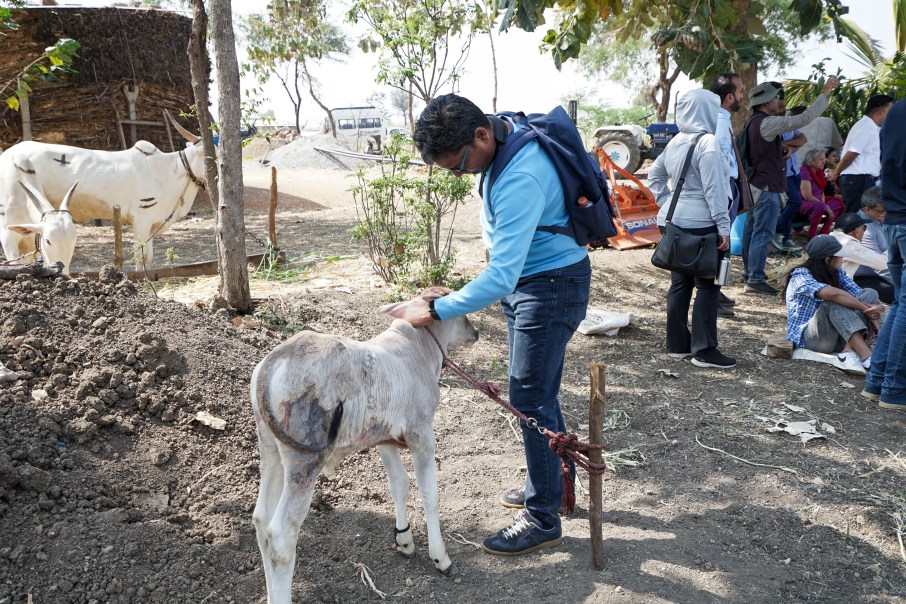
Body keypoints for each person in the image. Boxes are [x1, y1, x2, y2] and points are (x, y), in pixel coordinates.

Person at [407, 93, 590, 555]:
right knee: (538, 392)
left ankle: (542, 515)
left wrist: (437, 309)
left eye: (458, 166)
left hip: (548, 287)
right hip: (533, 283)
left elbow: (502, 275)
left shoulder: (522, 175)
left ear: (481, 135)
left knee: (528, 396)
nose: (460, 174)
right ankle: (553, 483)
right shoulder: (500, 141)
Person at [649, 89, 734, 368]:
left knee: (680, 282)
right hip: (703, 223)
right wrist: (723, 226)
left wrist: (668, 201)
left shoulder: (676, 141)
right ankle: (704, 350)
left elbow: (655, 175)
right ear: (708, 111)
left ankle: (677, 345)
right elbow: (715, 188)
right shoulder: (708, 142)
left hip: (675, 222)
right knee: (708, 286)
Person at [740, 77, 839, 296]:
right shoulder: (767, 122)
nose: (779, 103)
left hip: (756, 184)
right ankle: (755, 278)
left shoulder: (752, 122)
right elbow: (803, 119)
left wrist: (782, 147)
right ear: (766, 102)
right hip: (766, 187)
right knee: (762, 232)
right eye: (776, 99)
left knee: (751, 231)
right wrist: (825, 94)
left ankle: (749, 273)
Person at [783, 235, 883, 372]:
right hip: (812, 340)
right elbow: (833, 294)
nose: (842, 260)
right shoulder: (800, 275)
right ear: (828, 260)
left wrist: (878, 307)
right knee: (831, 303)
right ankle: (866, 356)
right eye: (839, 257)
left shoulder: (836, 272)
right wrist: (870, 313)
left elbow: (860, 294)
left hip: (836, 337)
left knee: (869, 292)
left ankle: (848, 351)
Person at [862, 97, 906, 410]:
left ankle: (877, 382)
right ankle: (894, 389)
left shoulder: (897, 110)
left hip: (894, 215)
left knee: (902, 302)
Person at [708, 72, 746, 317]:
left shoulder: (722, 119)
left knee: (721, 243)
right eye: (741, 91)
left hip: (726, 186)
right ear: (729, 96)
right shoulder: (720, 122)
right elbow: (720, 160)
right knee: (722, 243)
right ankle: (714, 293)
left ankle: (717, 291)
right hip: (725, 187)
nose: (743, 95)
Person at [835, 94, 895, 213]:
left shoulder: (873, 128)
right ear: (880, 113)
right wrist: (836, 173)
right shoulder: (865, 127)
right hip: (857, 179)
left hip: (865, 179)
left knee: (864, 217)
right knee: (854, 217)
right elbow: (851, 154)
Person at [829, 213, 891, 300]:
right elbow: (883, 264)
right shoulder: (850, 245)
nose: (864, 232)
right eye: (864, 228)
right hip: (836, 291)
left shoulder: (830, 238)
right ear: (857, 231)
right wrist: (893, 246)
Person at [774, 103, 807, 251]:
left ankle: (786, 238)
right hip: (783, 173)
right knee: (795, 202)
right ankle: (778, 230)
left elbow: (802, 139)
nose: (783, 109)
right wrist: (787, 145)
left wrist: (786, 145)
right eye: (780, 105)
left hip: (795, 171)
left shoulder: (788, 124)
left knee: (790, 205)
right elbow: (777, 148)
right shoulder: (772, 125)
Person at [855, 187, 895, 303]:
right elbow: (878, 266)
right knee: (898, 294)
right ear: (867, 209)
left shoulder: (880, 218)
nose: (886, 214)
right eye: (882, 211)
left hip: (888, 267)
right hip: (867, 276)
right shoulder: (863, 229)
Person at [799, 148, 844, 238]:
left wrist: (823, 201)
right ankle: (812, 236)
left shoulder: (819, 172)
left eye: (824, 159)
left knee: (838, 202)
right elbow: (807, 196)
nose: (824, 161)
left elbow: (821, 191)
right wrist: (825, 206)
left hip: (816, 201)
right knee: (821, 206)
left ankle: (824, 231)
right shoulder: (804, 172)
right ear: (811, 161)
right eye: (821, 159)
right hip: (802, 203)